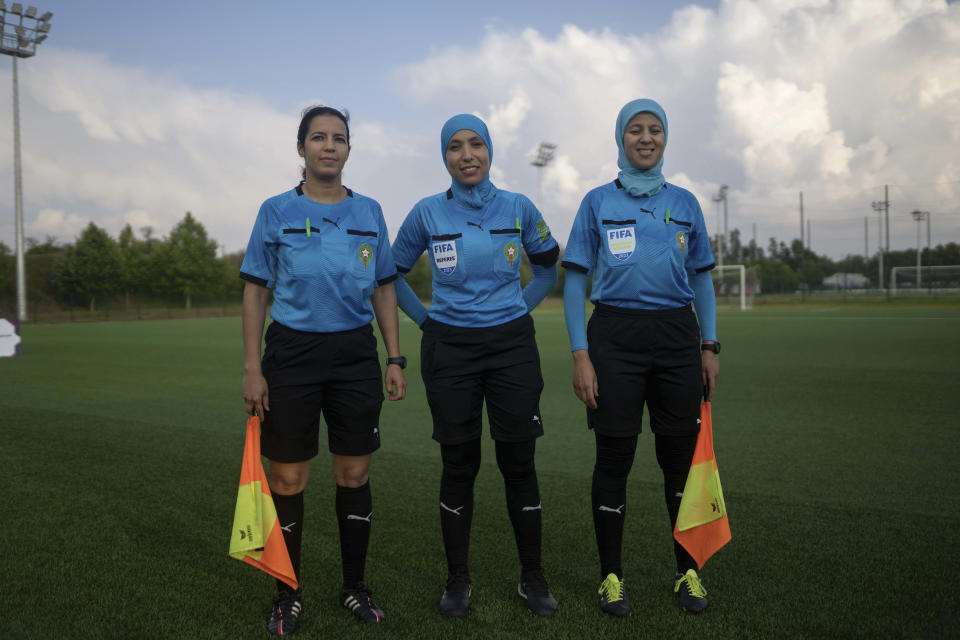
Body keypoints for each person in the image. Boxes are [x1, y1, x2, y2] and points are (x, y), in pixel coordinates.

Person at [240, 105, 406, 635]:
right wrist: (252, 367)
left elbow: (383, 286)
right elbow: (255, 290)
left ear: (349, 149)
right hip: (290, 354)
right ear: (301, 148)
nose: (328, 146)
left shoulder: (370, 212)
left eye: (338, 138)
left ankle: (354, 587)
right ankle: (287, 594)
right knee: (288, 477)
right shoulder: (275, 211)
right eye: (318, 137)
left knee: (353, 472)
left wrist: (394, 356)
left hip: (355, 355)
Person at [391, 114, 560, 618]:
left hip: (511, 348)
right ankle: (457, 581)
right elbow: (391, 274)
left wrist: (515, 311)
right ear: (444, 156)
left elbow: (548, 266)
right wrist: (428, 322)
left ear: (490, 151)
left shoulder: (520, 207)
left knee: (519, 463)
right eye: (455, 147)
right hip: (451, 351)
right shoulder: (426, 213)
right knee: (459, 465)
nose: (467, 155)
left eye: (476, 145)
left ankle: (532, 578)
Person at [561, 98, 720, 615]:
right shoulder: (597, 202)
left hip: (677, 337)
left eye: (655, 130)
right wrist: (581, 354)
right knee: (614, 459)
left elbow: (701, 279)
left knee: (679, 463)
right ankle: (611, 577)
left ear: (665, 138)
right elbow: (575, 280)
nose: (646, 138)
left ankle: (687, 574)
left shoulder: (686, 203)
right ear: (620, 138)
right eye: (636, 130)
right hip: (613, 337)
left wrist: (708, 344)